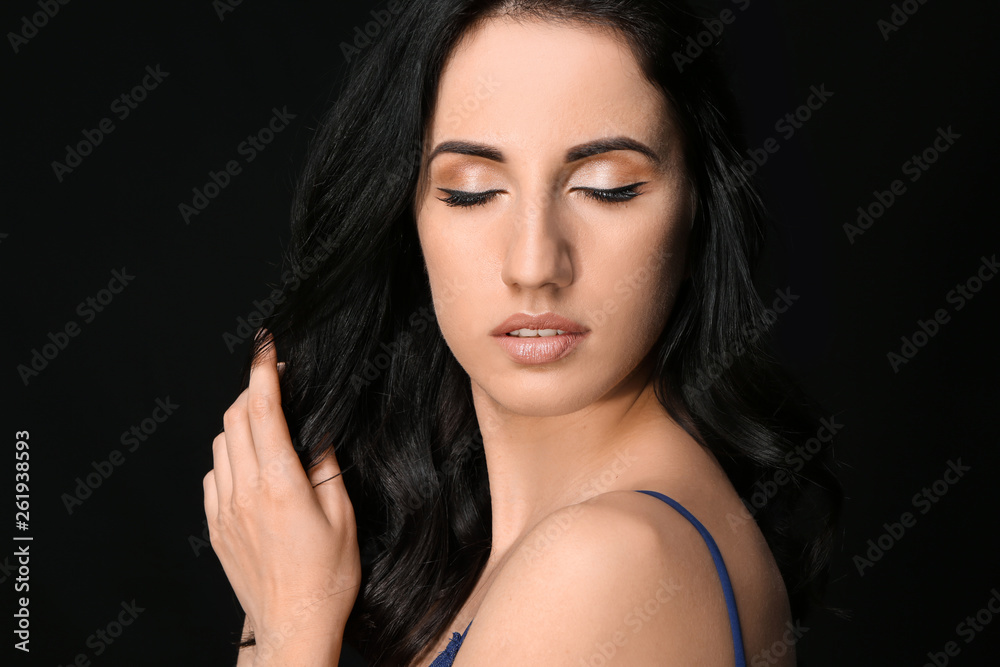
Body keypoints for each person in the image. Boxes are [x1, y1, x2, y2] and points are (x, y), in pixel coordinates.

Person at [202, 1, 842, 665]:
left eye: (607, 187)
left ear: (697, 212)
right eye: (472, 191)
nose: (535, 265)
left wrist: (289, 630)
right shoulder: (498, 552)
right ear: (407, 221)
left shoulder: (603, 564)